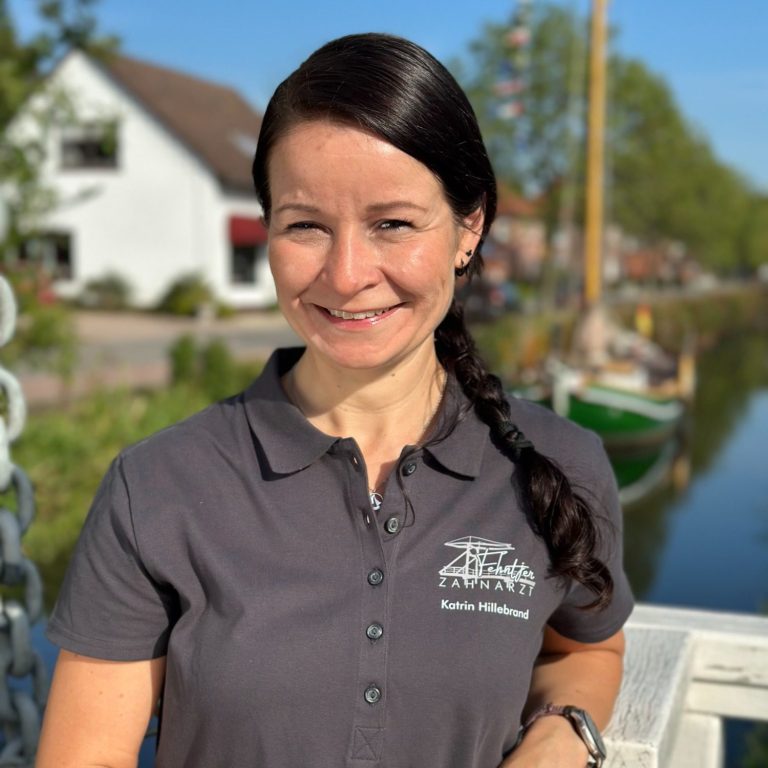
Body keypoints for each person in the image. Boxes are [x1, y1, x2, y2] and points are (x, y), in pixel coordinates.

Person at [37, 33, 633, 768]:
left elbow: (588, 646)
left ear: (468, 228)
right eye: (306, 226)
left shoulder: (561, 466)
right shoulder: (157, 488)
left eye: (392, 223)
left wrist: (562, 731)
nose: (347, 275)